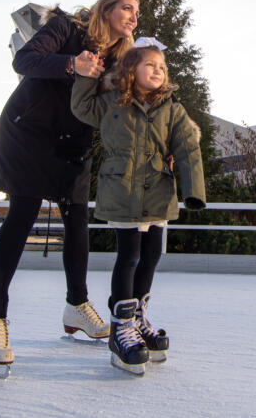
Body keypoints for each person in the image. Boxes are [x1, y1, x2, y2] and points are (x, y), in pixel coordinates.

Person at [0, 0, 140, 369]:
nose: (133, 17)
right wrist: (70, 65)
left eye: (137, 12)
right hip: (29, 130)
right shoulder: (67, 28)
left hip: (72, 141)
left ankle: (77, 304)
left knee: (77, 220)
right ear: (106, 9)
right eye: (127, 8)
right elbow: (23, 60)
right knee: (23, 213)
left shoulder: (120, 57)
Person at [71, 42, 205, 374]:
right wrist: (87, 76)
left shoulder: (173, 110)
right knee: (128, 257)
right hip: (122, 191)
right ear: (131, 71)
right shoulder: (113, 103)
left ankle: (139, 317)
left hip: (158, 193)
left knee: (152, 257)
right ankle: (121, 325)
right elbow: (81, 106)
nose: (158, 70)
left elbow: (188, 146)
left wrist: (193, 191)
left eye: (162, 66)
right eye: (150, 64)